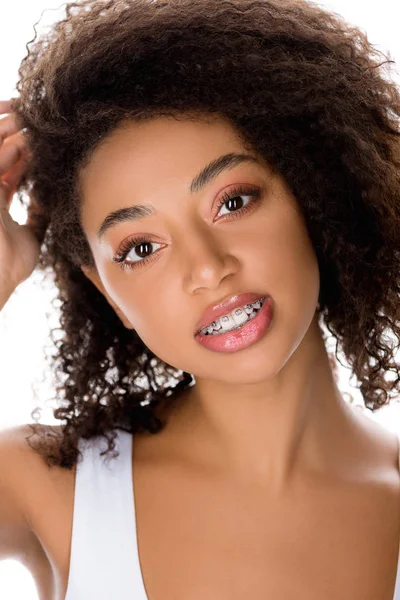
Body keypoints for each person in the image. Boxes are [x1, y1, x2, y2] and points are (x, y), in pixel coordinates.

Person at [0, 0, 400, 598]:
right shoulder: (43, 483)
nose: (209, 269)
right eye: (139, 248)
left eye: (232, 202)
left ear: (313, 192)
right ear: (105, 293)